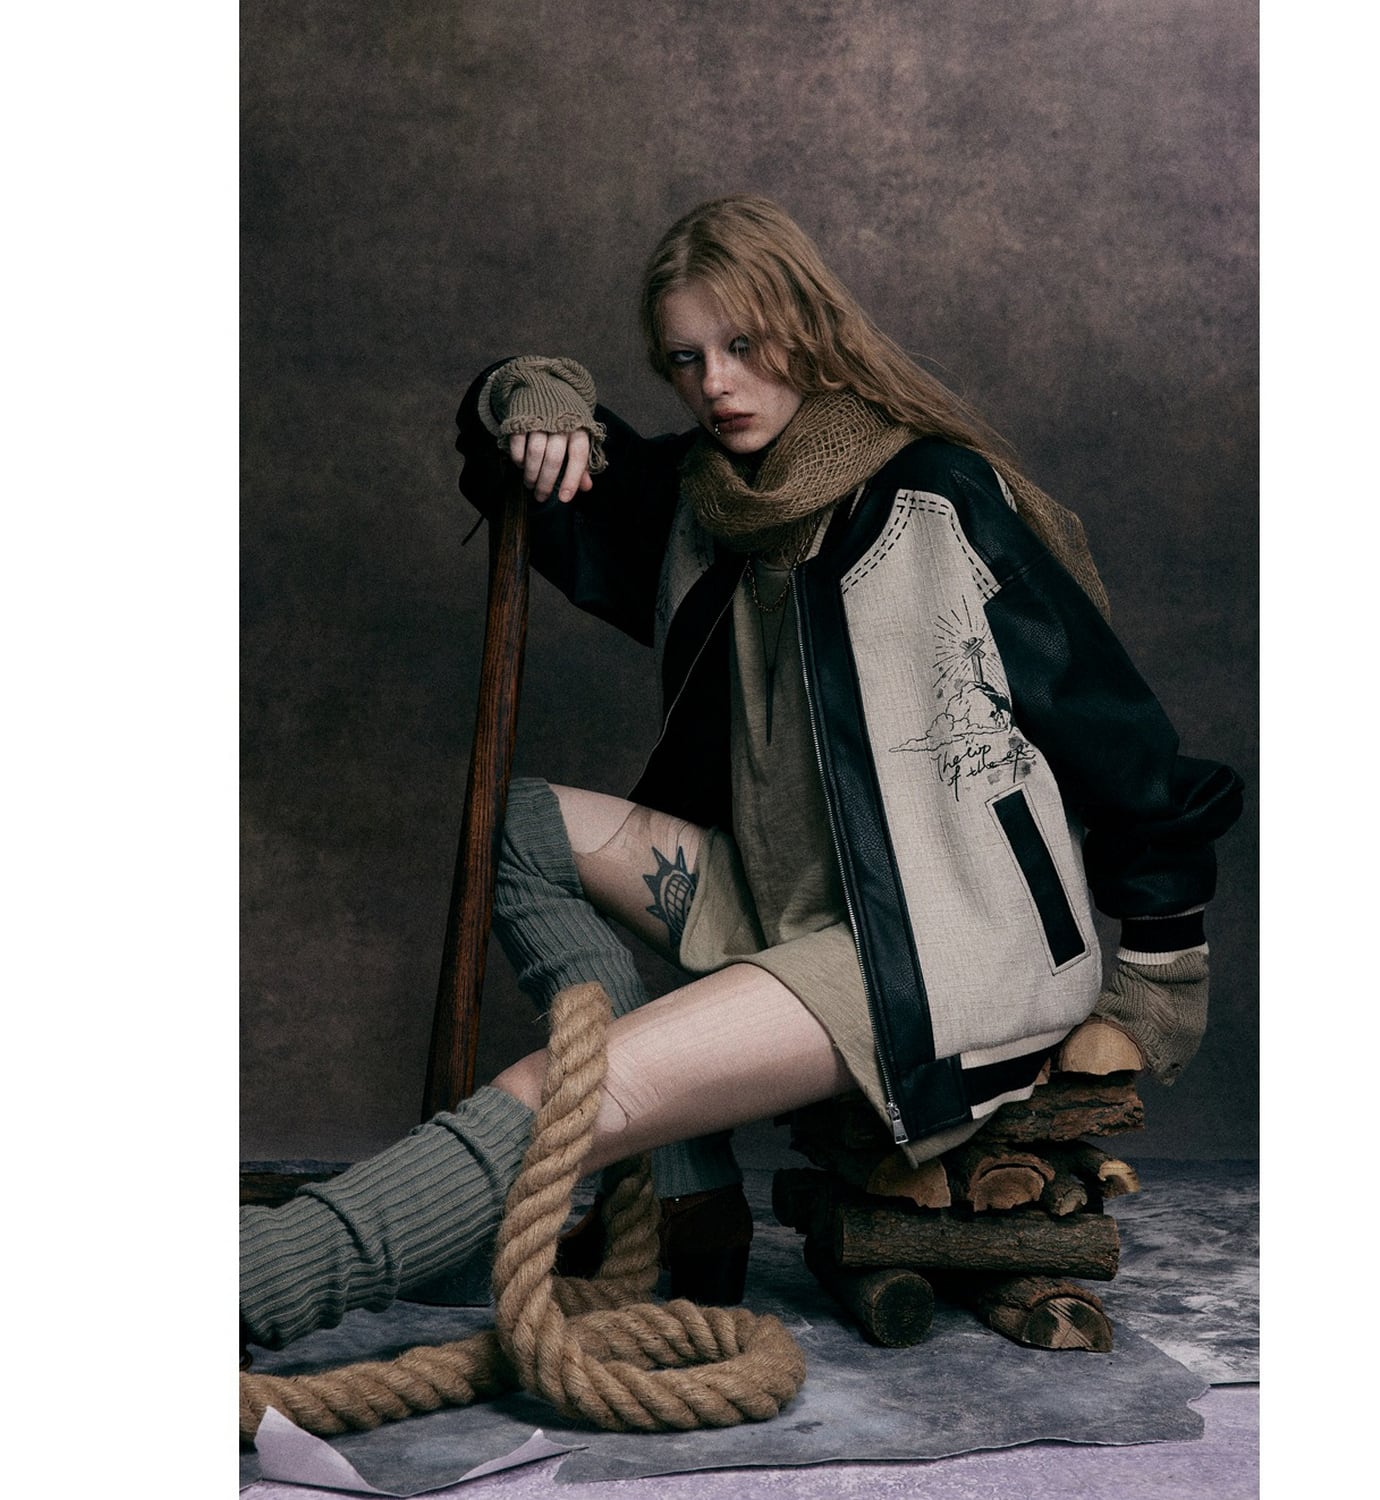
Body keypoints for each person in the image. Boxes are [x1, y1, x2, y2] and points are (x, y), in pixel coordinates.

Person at [240, 195, 1243, 1353]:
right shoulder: (705, 500)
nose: (716, 383)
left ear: (808, 328)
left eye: (743, 344)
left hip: (933, 946)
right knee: (515, 826)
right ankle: (684, 1194)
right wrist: (525, 391)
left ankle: (263, 1283)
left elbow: (1115, 733)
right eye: (686, 359)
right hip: (771, 898)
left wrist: (1161, 969)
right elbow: (543, 464)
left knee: (578, 1087)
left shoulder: (939, 500)